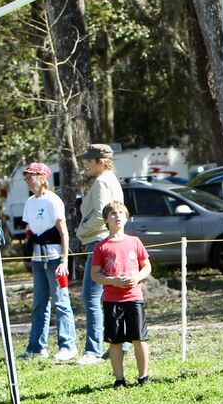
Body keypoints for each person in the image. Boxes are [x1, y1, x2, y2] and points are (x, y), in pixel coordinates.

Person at [18, 162, 77, 361]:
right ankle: (36, 347)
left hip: (54, 259)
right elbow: (31, 231)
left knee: (61, 301)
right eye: (26, 177)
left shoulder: (53, 201)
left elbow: (63, 232)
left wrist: (64, 260)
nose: (28, 180)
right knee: (39, 303)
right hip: (37, 258)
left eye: (31, 176)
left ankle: (68, 346)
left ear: (43, 178)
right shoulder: (30, 203)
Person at [90, 201, 152, 387]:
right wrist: (112, 281)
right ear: (106, 220)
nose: (117, 216)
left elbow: (146, 266)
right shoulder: (101, 247)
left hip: (134, 297)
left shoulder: (135, 242)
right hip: (112, 299)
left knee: (139, 338)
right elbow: (95, 274)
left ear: (126, 217)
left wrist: (137, 277)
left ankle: (143, 377)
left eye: (120, 213)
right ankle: (119, 379)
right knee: (115, 340)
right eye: (113, 214)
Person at [75, 144, 124, 365]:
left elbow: (101, 214)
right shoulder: (112, 180)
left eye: (89, 160)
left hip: (98, 241)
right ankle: (121, 343)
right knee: (110, 295)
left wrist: (81, 230)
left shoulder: (102, 182)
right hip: (106, 241)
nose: (86, 164)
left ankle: (93, 350)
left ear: (100, 162)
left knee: (90, 297)